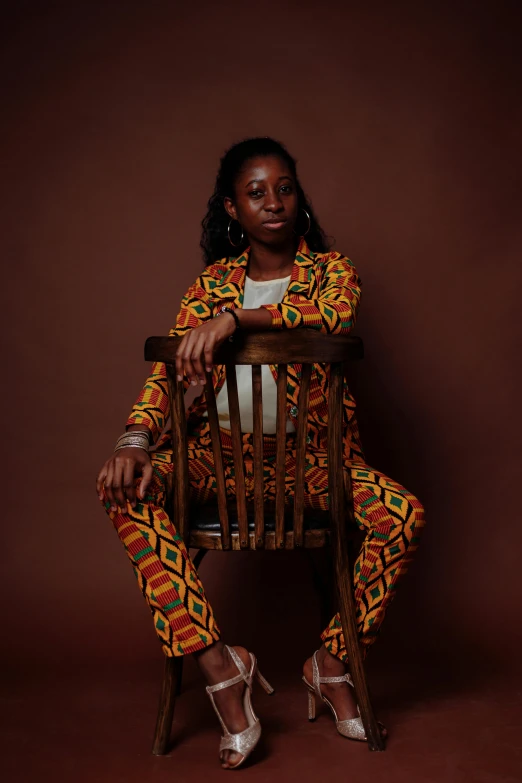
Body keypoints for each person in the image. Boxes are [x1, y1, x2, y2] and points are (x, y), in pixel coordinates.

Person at [96, 137, 426, 770]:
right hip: (214, 458)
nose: (273, 202)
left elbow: (328, 318)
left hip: (310, 464)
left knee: (402, 514)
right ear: (231, 208)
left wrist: (234, 322)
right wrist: (134, 441)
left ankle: (330, 663)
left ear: (298, 199)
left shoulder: (332, 271)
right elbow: (167, 375)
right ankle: (221, 665)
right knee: (123, 488)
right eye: (256, 192)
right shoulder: (209, 285)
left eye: (284, 188)